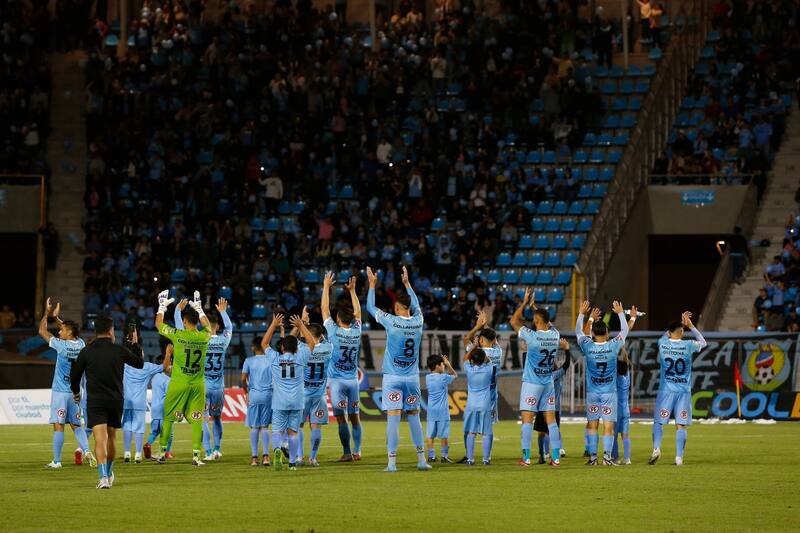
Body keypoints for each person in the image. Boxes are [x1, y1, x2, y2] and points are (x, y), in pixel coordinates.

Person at [366, 264, 429, 472]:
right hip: (411, 379)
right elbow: (417, 305)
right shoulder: (418, 321)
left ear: (396, 307)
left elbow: (370, 308)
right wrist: (407, 284)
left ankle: (392, 463)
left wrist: (372, 285)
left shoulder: (391, 321)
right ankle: (421, 460)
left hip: (393, 378)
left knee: (393, 418)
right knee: (414, 416)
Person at [70, 315, 144, 489]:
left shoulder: (86, 351)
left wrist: (76, 393)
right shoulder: (119, 350)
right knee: (111, 438)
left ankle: (103, 477)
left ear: (96, 332)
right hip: (115, 400)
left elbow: (74, 377)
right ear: (111, 331)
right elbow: (139, 363)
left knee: (100, 440)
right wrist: (134, 344)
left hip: (96, 401)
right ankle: (109, 473)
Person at [154, 290, 212, 466]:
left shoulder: (178, 335)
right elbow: (209, 326)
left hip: (178, 383)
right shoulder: (204, 336)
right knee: (196, 419)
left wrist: (162, 307)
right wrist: (200, 310)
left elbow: (158, 325)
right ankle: (196, 455)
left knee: (169, 418)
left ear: (185, 322)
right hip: (197, 385)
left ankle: (163, 452)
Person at [574, 300, 634, 466]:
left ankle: (593, 458)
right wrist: (621, 313)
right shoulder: (614, 346)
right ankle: (607, 458)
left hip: (593, 393)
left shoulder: (587, 345)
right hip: (609, 393)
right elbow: (625, 330)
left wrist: (582, 313)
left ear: (592, 333)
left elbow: (578, 331)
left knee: (593, 425)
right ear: (607, 334)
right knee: (609, 427)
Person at [509, 288, 564, 467]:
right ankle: (555, 457)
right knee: (551, 421)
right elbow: (546, 321)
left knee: (527, 420)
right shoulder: (555, 336)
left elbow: (513, 321)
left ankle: (526, 458)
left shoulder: (531, 337)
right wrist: (535, 308)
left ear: (535, 321)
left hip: (532, 383)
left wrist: (525, 303)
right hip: (548, 382)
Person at [174, 297, 233, 461]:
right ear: (217, 327)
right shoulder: (223, 340)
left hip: (203, 385)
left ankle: (207, 452)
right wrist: (223, 312)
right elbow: (229, 327)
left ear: (203, 326)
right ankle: (217, 449)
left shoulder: (200, 339)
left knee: (203, 419)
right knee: (218, 418)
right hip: (219, 387)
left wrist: (177, 311)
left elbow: (180, 328)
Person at [38, 298, 94, 469]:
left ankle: (57, 461)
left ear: (68, 333)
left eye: (61, 330)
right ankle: (86, 450)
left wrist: (47, 314)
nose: (59, 332)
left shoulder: (61, 346)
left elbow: (42, 331)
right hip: (75, 393)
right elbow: (72, 330)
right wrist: (57, 318)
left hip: (60, 392)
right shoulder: (82, 344)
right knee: (77, 425)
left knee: (58, 426)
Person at [649, 312, 707, 466]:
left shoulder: (663, 344)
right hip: (683, 392)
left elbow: (664, 336)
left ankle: (656, 449)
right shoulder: (688, 345)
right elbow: (703, 342)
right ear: (682, 332)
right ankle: (679, 458)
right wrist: (691, 326)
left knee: (658, 422)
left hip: (666, 390)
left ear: (669, 332)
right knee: (680, 424)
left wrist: (673, 329)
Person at [322, 272, 364, 462]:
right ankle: (358, 451)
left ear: (338, 320)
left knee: (341, 418)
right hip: (353, 381)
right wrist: (353, 292)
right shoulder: (356, 331)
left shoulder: (333, 331)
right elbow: (359, 312)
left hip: (337, 383)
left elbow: (324, 309)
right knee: (355, 417)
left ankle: (347, 452)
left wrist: (326, 287)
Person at [266, 316, 308, 471]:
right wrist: (301, 325)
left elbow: (264, 343)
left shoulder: (275, 359)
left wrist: (273, 325)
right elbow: (312, 343)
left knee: (277, 430)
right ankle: (292, 463)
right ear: (296, 348)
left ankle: (277, 449)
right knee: (293, 432)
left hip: (279, 401)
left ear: (282, 348)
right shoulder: (301, 358)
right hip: (297, 401)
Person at [462, 310, 504, 462]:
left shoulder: (476, 353)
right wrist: (486, 326)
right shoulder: (498, 352)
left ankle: (469, 456)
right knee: (488, 429)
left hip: (474, 398)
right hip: (491, 397)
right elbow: (494, 341)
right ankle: (487, 457)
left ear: (480, 340)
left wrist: (477, 326)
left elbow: (466, 340)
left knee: (471, 429)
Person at [121, 325, 165, 463]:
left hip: (126, 401)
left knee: (127, 425)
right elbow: (163, 367)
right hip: (139, 402)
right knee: (139, 427)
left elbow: (127, 351)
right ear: (141, 354)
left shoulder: (124, 365)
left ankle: (127, 453)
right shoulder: (146, 367)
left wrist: (132, 339)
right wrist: (168, 353)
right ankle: (138, 454)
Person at [293, 316, 333, 467]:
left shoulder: (302, 349)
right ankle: (313, 458)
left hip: (302, 395)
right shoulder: (328, 348)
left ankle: (299, 457)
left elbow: (290, 339)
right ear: (321, 335)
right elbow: (323, 337)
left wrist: (300, 324)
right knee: (316, 427)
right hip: (319, 396)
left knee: (298, 426)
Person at [244, 325, 279, 467]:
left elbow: (242, 378)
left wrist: (246, 392)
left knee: (254, 427)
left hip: (254, 395)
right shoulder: (270, 360)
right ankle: (266, 457)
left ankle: (254, 458)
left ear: (253, 347)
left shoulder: (249, 361)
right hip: (268, 396)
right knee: (264, 427)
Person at [534, 338, 572, 463]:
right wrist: (567, 350)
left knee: (541, 432)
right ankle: (554, 455)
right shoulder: (556, 375)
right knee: (552, 431)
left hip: (541, 407)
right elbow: (566, 365)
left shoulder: (539, 375)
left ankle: (542, 455)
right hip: (553, 408)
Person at [462, 348, 495, 465]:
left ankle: (470, 459)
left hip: (471, 405)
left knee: (471, 432)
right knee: (486, 433)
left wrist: (473, 347)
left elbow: (465, 358)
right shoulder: (488, 369)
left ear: (472, 359)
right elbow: (488, 360)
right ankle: (486, 459)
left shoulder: (469, 369)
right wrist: (483, 355)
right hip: (485, 405)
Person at [424, 354, 457, 463]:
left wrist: (445, 364)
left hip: (431, 412)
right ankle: (444, 456)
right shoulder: (443, 377)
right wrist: (449, 364)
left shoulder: (427, 378)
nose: (444, 366)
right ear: (437, 366)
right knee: (444, 436)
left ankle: (431, 456)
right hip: (442, 412)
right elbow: (455, 375)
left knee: (430, 435)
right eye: (442, 364)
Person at [144, 347, 174, 460]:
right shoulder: (167, 380)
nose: (170, 366)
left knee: (155, 431)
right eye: (169, 363)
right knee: (169, 433)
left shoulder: (154, 378)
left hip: (155, 408)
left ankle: (148, 444)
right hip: (164, 409)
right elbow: (169, 396)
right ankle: (167, 453)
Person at [612, 351, 632, 465]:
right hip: (626, 410)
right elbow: (626, 364)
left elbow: (615, 366)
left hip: (616, 411)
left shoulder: (615, 379)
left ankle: (616, 458)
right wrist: (624, 351)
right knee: (625, 435)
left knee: (614, 435)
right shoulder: (627, 378)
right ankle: (627, 458)